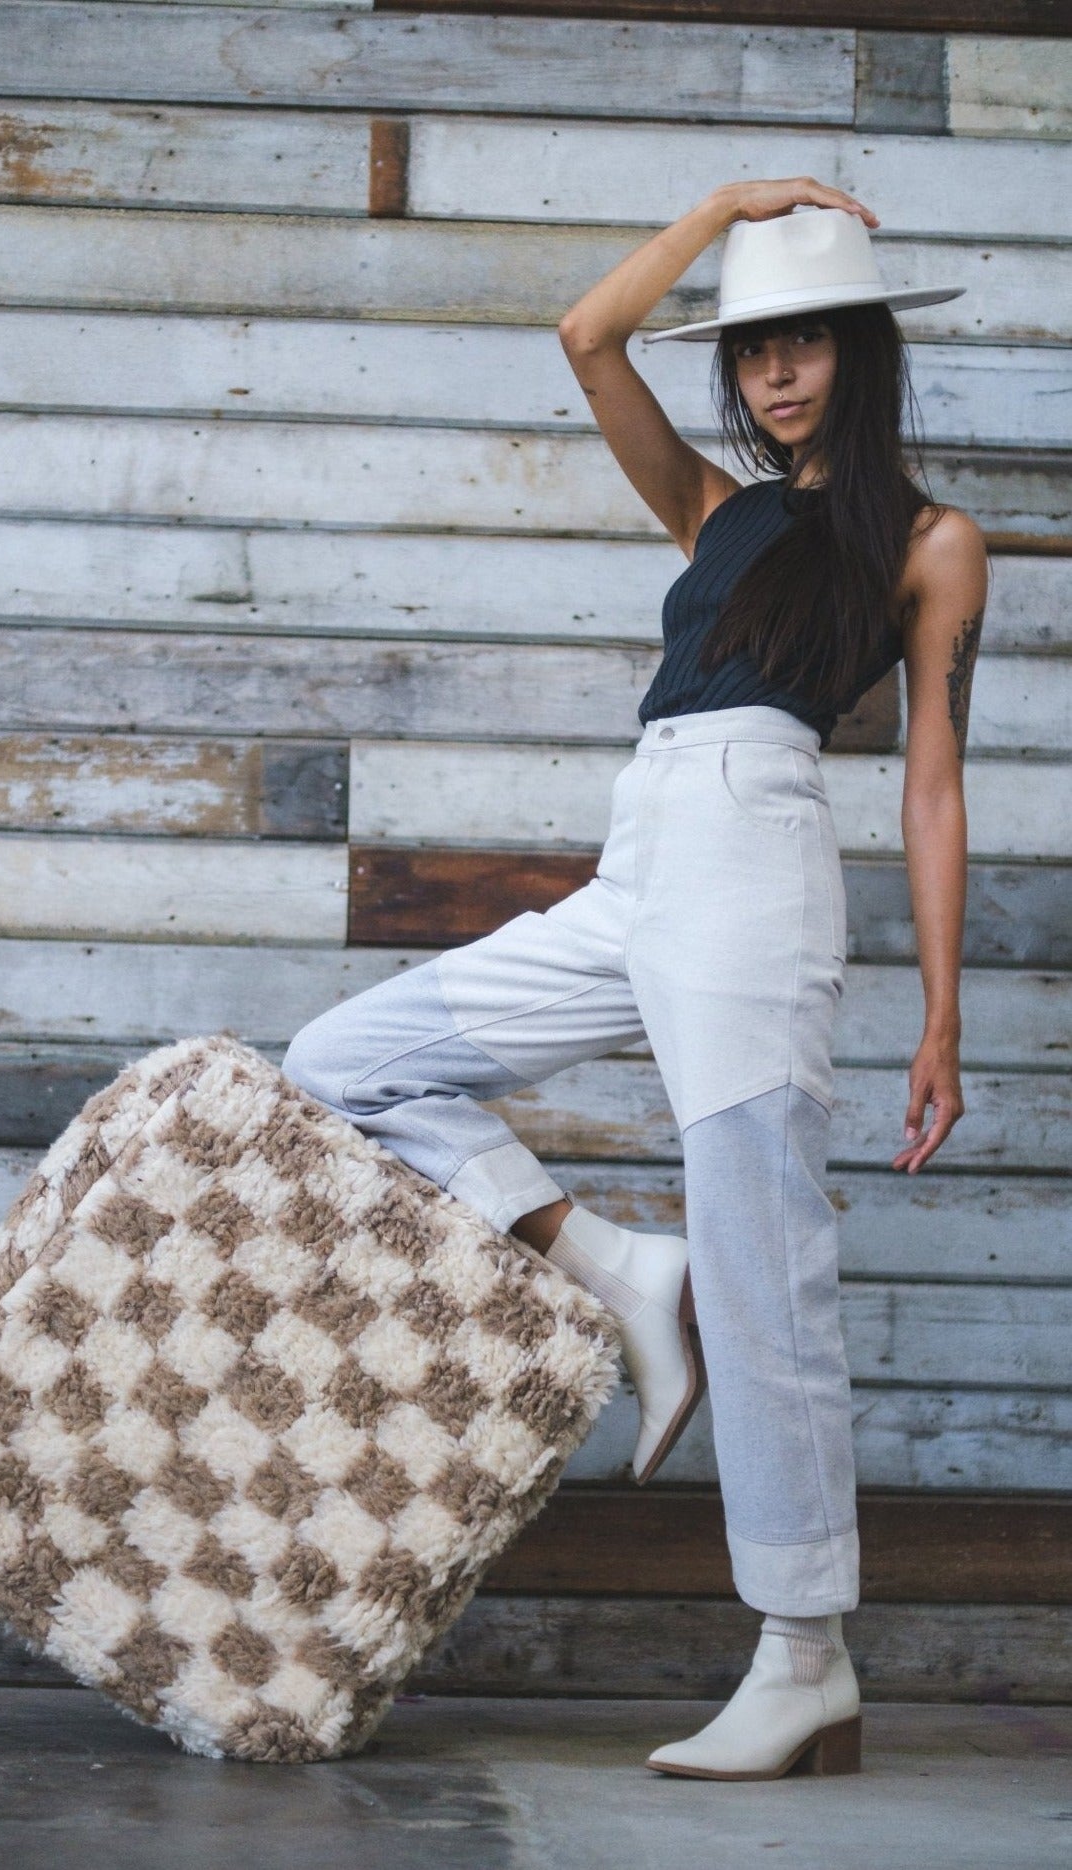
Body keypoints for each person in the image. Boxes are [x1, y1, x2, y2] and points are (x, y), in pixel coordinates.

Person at [282, 177, 990, 1780]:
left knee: (767, 1256)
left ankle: (804, 1654)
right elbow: (589, 334)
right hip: (643, 854)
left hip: (757, 856)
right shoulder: (715, 511)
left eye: (803, 342)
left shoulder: (937, 540)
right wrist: (723, 208)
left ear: (860, 353)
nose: (773, 376)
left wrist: (942, 1008)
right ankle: (619, 1268)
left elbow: (933, 785)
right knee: (345, 1057)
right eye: (749, 351)